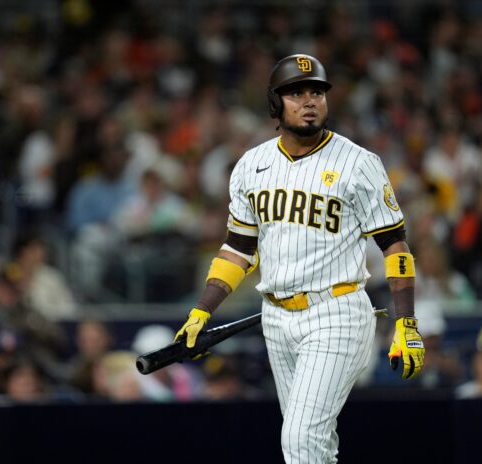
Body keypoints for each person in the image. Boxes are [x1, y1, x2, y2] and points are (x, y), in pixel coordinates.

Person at [173, 54, 425, 463]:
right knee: (314, 446)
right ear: (276, 103)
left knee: (300, 439)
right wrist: (202, 312)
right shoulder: (252, 165)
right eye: (296, 92)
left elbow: (395, 246)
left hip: (337, 311)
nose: (309, 101)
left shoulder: (358, 163)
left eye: (317, 92)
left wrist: (407, 323)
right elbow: (238, 249)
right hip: (275, 318)